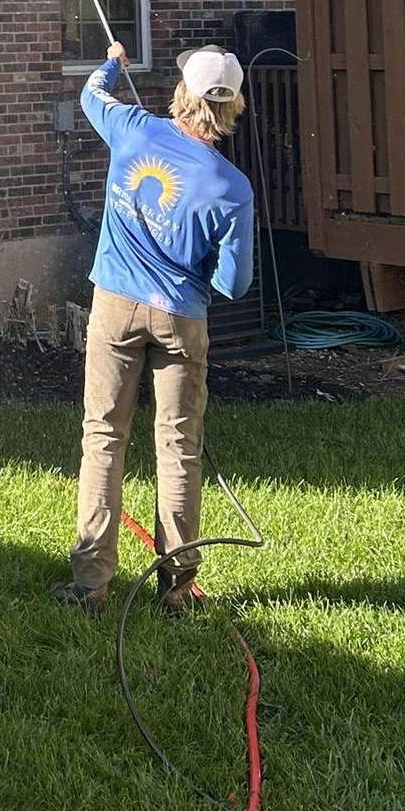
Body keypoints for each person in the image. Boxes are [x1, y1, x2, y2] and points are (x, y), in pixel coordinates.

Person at [50, 42, 254, 617]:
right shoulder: (232, 187)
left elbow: (91, 94)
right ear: (232, 106)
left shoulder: (132, 128)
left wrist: (114, 62)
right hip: (181, 317)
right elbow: (234, 285)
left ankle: (90, 585)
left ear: (182, 93)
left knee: (103, 437)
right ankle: (178, 590)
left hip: (115, 307)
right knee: (179, 447)